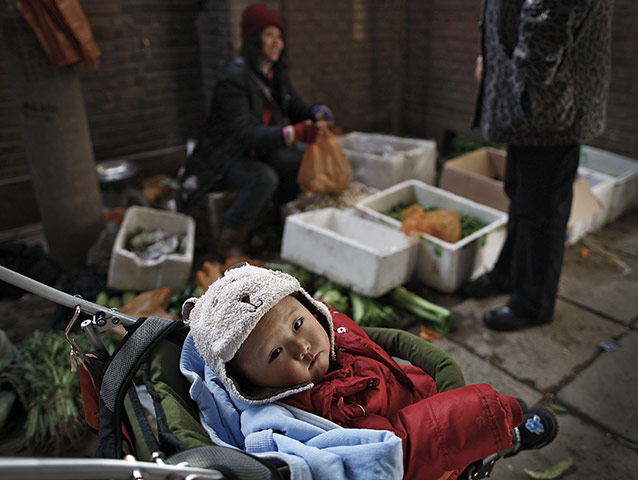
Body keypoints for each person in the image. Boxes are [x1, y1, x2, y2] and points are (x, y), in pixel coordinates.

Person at [180, 263, 558, 480]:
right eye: (276, 352)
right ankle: (506, 437)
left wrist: (436, 370)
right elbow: (399, 448)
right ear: (249, 385)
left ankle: (501, 430)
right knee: (486, 427)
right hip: (433, 448)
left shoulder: (329, 329)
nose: (302, 347)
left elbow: (377, 337)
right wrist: (481, 412)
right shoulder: (319, 414)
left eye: (297, 325)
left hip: (422, 393)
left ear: (309, 309)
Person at [465, 0, 614, 331]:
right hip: (534, 102)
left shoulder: (535, 85)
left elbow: (550, 15)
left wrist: (523, 79)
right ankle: (509, 276)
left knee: (542, 210)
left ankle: (533, 305)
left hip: (548, 103)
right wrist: (494, 62)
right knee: (521, 194)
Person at [177, 3, 334, 259]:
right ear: (253, 38)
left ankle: (281, 224)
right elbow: (244, 134)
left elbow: (294, 106)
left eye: (280, 36)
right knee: (264, 177)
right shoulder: (233, 78)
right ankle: (230, 241)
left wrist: (315, 113)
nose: (277, 42)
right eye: (269, 34)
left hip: (254, 151)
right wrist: (293, 133)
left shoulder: (274, 76)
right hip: (225, 157)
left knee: (294, 161)